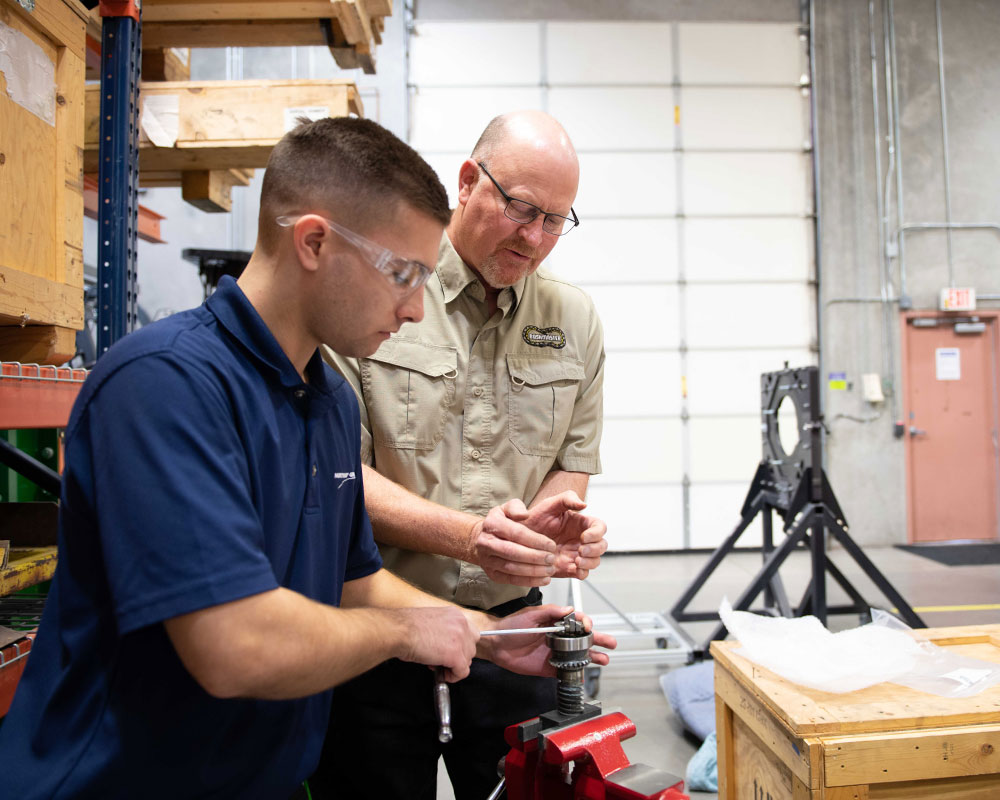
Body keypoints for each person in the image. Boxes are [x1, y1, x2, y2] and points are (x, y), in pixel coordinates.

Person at [0, 117, 613, 800]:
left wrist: (489, 633)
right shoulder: (164, 384)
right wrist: (406, 631)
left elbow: (355, 582)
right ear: (315, 242)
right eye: (403, 273)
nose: (418, 309)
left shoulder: (325, 403)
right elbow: (236, 646)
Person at [318, 110, 607, 799]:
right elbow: (338, 478)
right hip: (378, 630)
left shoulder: (573, 320)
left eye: (556, 221)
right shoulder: (383, 295)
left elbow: (572, 461)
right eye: (522, 209)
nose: (534, 238)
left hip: (513, 639)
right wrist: (475, 539)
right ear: (469, 181)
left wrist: (548, 536)